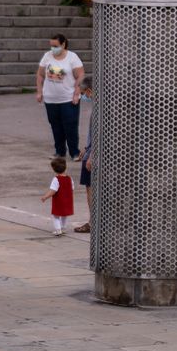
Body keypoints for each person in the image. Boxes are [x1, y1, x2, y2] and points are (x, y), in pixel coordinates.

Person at [35, 34, 84, 161]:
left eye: (55, 46)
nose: (53, 48)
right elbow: (40, 75)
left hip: (68, 98)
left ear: (63, 44)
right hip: (51, 99)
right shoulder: (47, 56)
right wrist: (39, 91)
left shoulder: (72, 57)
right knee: (55, 125)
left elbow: (80, 75)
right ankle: (60, 151)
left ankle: (74, 152)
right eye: (51, 46)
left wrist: (76, 92)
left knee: (70, 125)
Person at [74, 76, 96, 234]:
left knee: (91, 188)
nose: (83, 96)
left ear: (89, 91)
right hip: (90, 150)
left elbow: (103, 133)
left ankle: (93, 221)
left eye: (83, 93)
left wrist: (93, 154)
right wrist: (86, 147)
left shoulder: (102, 107)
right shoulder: (100, 105)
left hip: (94, 154)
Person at [41, 156, 73, 236]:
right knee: (64, 215)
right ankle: (63, 228)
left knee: (56, 215)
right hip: (68, 200)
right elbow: (72, 188)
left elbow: (53, 191)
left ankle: (58, 229)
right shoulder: (69, 178)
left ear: (53, 169)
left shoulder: (56, 179)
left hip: (59, 201)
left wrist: (45, 197)